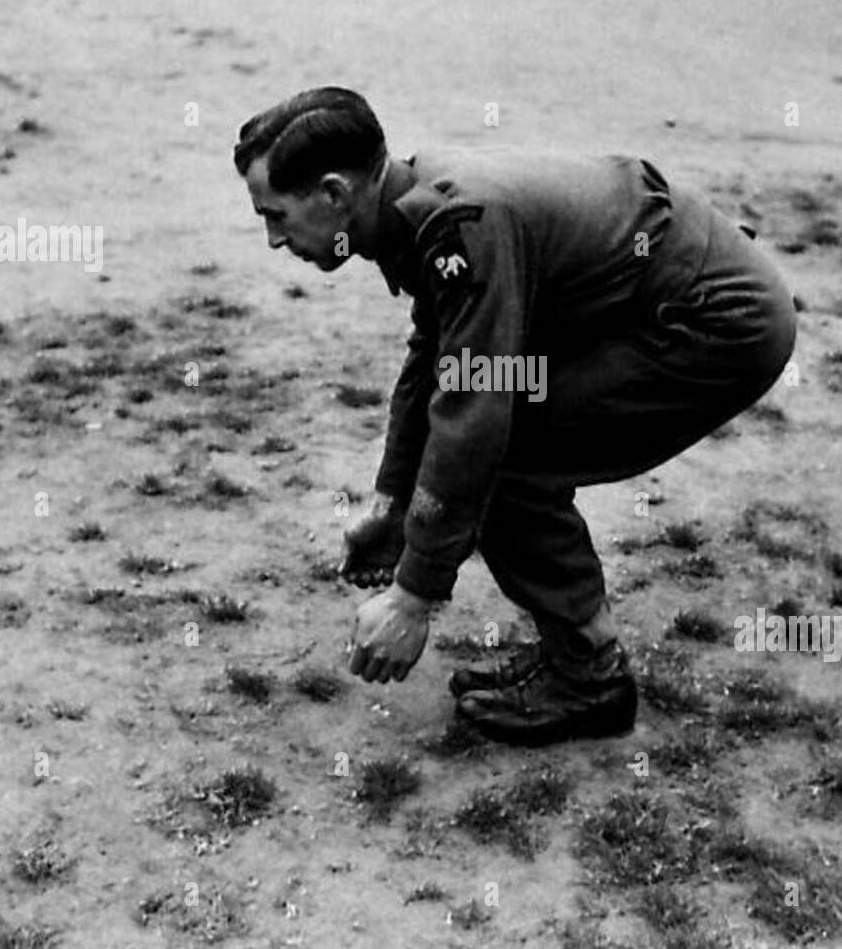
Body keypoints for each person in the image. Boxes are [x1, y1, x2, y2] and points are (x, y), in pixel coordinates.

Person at [233, 87, 797, 746]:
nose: (274, 239)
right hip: (648, 301)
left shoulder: (459, 222)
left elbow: (474, 416)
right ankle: (575, 654)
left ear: (334, 194)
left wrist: (415, 596)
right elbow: (436, 356)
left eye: (275, 215)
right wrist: (392, 501)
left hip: (714, 321)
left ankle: (591, 677)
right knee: (491, 440)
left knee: (500, 454)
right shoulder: (410, 201)